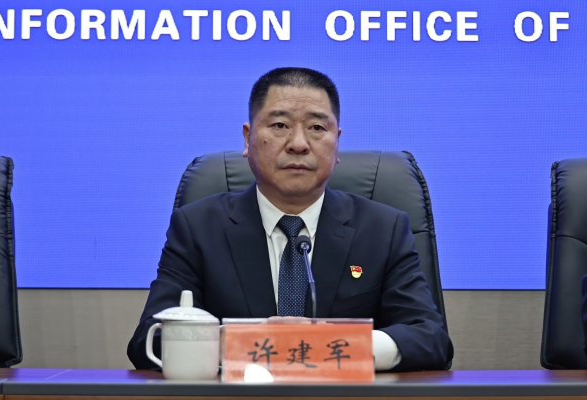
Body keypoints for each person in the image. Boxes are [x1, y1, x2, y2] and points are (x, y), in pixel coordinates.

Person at [128, 67, 453, 371]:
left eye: (317, 128)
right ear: (247, 138)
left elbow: (430, 339)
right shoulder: (197, 227)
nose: (298, 144)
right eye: (280, 126)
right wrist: (249, 343)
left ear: (337, 142)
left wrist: (334, 345)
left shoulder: (383, 229)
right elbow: (148, 341)